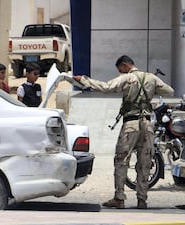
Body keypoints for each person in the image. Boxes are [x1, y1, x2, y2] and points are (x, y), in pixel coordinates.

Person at [73, 55, 174, 209]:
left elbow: (106, 87)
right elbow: (170, 91)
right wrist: (150, 90)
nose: (121, 73)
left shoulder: (127, 78)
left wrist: (84, 80)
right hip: (147, 125)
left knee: (122, 160)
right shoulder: (151, 77)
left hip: (131, 124)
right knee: (145, 162)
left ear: (125, 65)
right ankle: (142, 200)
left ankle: (119, 198)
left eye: (121, 70)